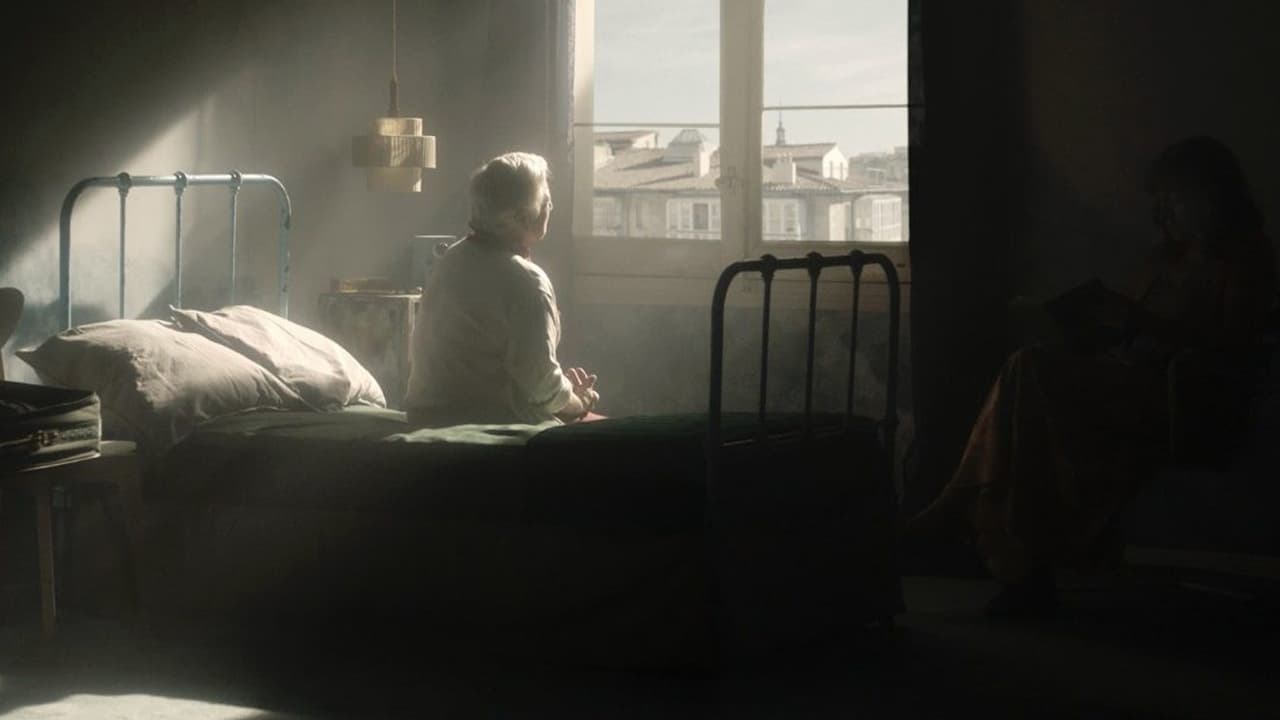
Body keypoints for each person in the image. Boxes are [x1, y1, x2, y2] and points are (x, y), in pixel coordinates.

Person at [904, 136, 1277, 616]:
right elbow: (1131, 333)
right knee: (1030, 389)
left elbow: (1234, 346)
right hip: (1126, 377)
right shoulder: (1164, 260)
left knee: (1030, 371)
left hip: (1183, 396)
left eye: (1171, 198)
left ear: (1207, 195)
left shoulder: (1248, 256)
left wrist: (1141, 322)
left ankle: (960, 506)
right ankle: (1020, 568)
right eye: (1157, 201)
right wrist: (1093, 328)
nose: (1161, 212)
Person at [404, 152, 601, 426]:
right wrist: (580, 401)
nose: (551, 205)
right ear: (522, 215)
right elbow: (541, 387)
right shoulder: (526, 280)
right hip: (489, 423)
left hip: (425, 415)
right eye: (546, 200)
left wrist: (563, 390)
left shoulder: (451, 259)